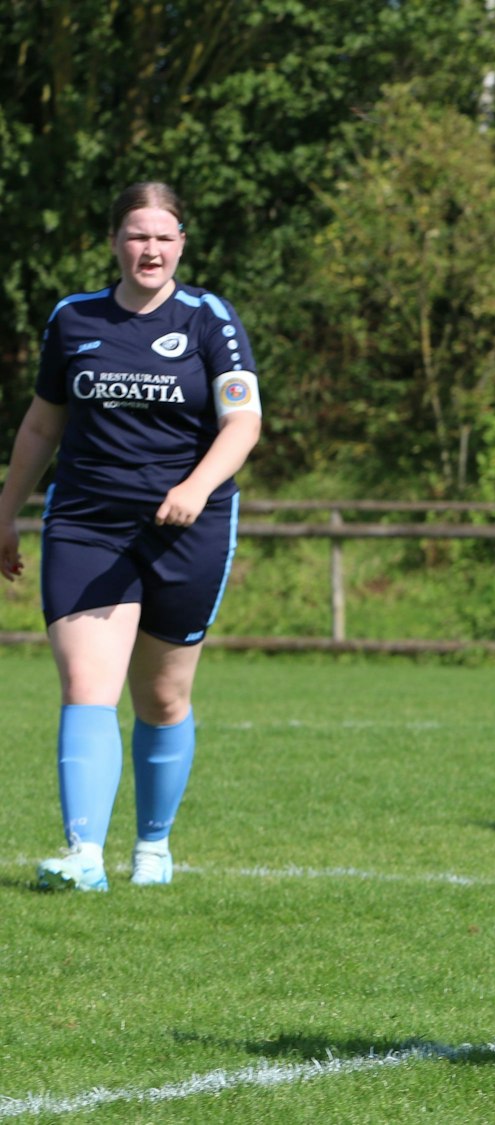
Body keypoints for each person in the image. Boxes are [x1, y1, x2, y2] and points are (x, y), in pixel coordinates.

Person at [0, 181, 263, 892]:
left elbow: (243, 422)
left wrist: (195, 487)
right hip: (87, 522)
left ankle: (153, 845)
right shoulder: (72, 318)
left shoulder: (211, 319)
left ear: (182, 243)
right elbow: (41, 425)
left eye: (164, 236)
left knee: (162, 697)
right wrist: (5, 510)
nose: (150, 248)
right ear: (114, 240)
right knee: (88, 684)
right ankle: (84, 854)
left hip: (188, 528)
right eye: (137, 234)